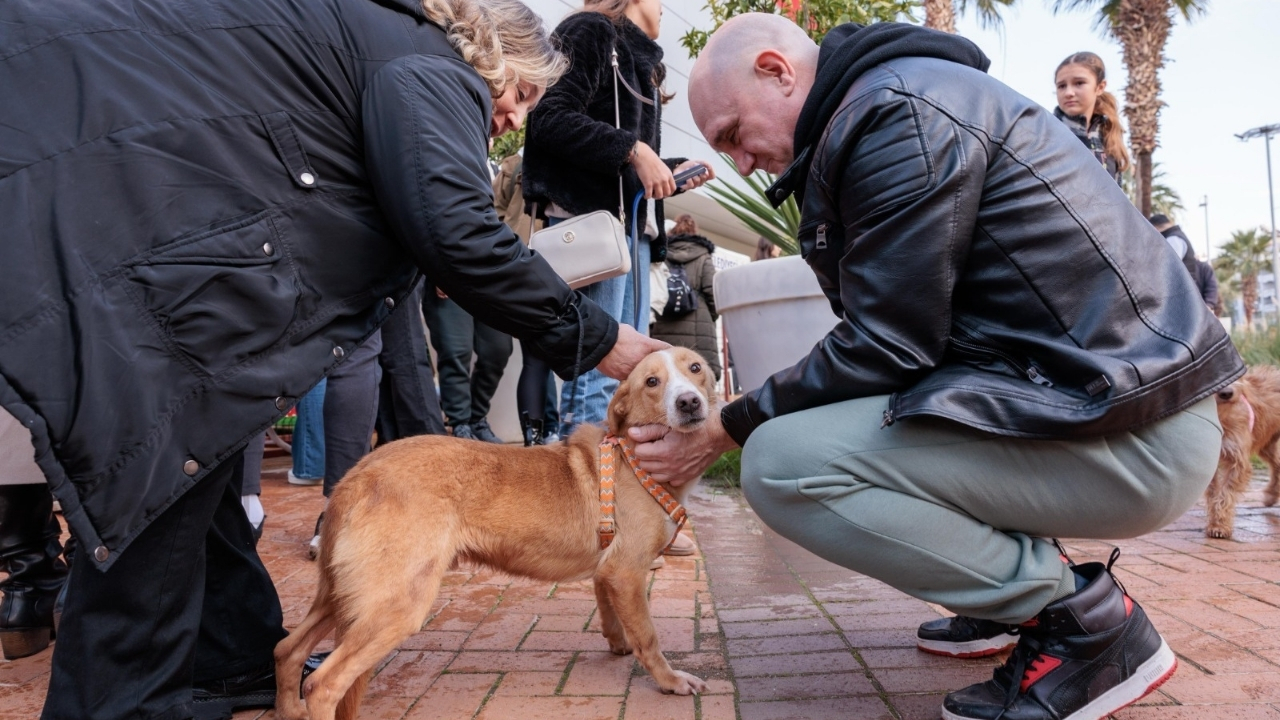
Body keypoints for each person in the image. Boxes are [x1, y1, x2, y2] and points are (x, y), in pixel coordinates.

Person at [0, 0, 666, 717]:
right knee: (160, 472)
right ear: (493, 56)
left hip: (124, 197)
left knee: (203, 456)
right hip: (130, 226)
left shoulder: (378, 41)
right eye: (522, 94)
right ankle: (118, 704)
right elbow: (456, 228)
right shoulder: (433, 65)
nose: (514, 118)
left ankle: (230, 658)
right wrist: (600, 340)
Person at [631, 14, 1244, 720]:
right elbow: (921, 339)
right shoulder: (895, 100)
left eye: (735, 132)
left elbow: (890, 344)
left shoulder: (900, 116)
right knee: (832, 427)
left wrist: (726, 427)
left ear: (778, 70)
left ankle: (1088, 625)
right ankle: (1005, 604)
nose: (740, 161)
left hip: (1137, 432)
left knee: (783, 464)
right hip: (1103, 406)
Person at [523, 0, 715, 438]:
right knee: (597, 362)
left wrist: (669, 170)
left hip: (630, 229)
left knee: (627, 365)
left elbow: (623, 157)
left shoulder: (643, 62)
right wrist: (635, 149)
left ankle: (610, 481)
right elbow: (549, 118)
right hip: (591, 225)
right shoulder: (590, 31)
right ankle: (584, 484)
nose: (664, 8)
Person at [422, 284, 513, 442]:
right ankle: (459, 423)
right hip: (449, 274)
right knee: (455, 352)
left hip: (490, 280)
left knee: (498, 350)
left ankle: (476, 419)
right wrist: (437, 272)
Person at [650, 215, 723, 380]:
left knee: (666, 375)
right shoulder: (703, 255)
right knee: (701, 375)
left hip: (664, 319)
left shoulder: (661, 254)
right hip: (699, 319)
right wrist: (711, 315)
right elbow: (712, 291)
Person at [1054, 51, 1129, 184]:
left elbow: (1117, 199)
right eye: (1061, 86)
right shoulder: (1046, 133)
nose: (1068, 93)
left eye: (1079, 83)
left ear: (1100, 87)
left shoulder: (1111, 139)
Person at [1150, 213, 1220, 314]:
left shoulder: (1174, 239)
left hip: (1183, 302)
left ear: (1155, 228)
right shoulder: (1176, 237)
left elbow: (1166, 268)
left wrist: (1208, 305)